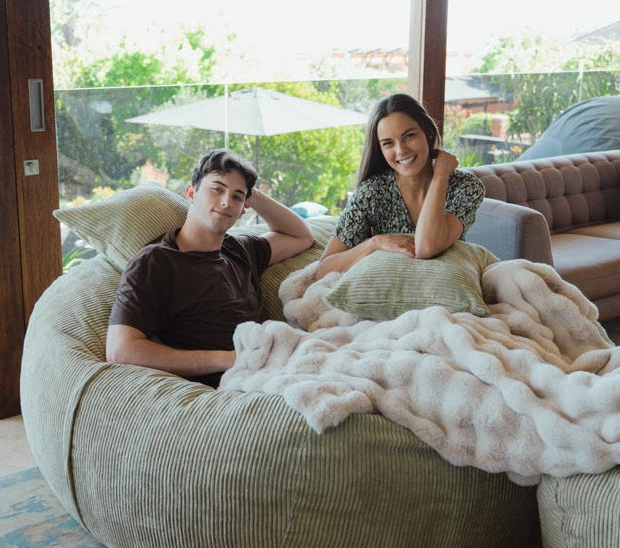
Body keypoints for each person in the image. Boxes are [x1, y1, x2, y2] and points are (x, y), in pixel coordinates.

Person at [106, 148, 314, 387]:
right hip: (237, 381)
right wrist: (231, 359)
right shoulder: (156, 262)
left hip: (284, 361)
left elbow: (301, 236)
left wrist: (250, 193)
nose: (226, 202)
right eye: (217, 189)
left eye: (236, 197)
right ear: (191, 192)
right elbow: (120, 351)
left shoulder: (239, 249)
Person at [316, 93, 484, 278]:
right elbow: (323, 270)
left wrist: (440, 176)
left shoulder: (466, 187)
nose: (401, 150)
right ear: (380, 149)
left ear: (427, 132)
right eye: (388, 143)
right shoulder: (371, 193)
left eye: (409, 136)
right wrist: (375, 243)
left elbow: (426, 248)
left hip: (445, 287)